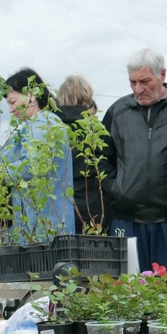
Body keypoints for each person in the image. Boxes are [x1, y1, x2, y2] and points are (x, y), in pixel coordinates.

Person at [102, 48, 167, 280]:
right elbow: (102, 161)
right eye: (133, 82)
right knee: (127, 296)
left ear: (163, 74)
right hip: (127, 220)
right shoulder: (117, 113)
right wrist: (117, 189)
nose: (138, 89)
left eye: (145, 81)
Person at [2, 68, 73, 240]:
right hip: (33, 224)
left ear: (31, 94)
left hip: (45, 224)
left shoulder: (45, 124)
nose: (11, 110)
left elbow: (34, 168)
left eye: (12, 101)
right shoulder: (30, 127)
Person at [55, 75, 108, 233]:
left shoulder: (52, 130)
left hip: (60, 210)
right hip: (94, 210)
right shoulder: (98, 132)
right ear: (88, 97)